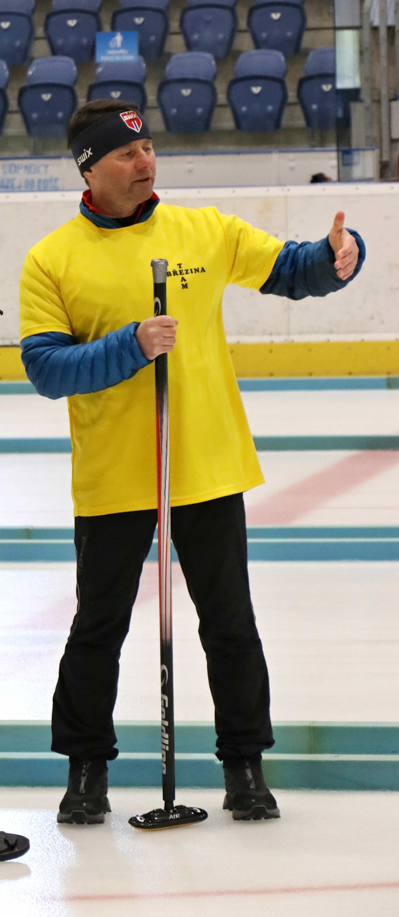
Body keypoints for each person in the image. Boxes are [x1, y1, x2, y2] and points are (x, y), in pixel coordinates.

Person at [19, 100, 365, 825]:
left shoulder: (204, 230)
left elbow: (290, 268)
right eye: (125, 154)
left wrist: (336, 257)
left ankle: (245, 766)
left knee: (229, 624)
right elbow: (46, 369)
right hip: (113, 477)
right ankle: (85, 770)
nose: (144, 162)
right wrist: (130, 346)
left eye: (147, 149)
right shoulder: (52, 258)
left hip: (204, 466)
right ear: (89, 168)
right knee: (98, 629)